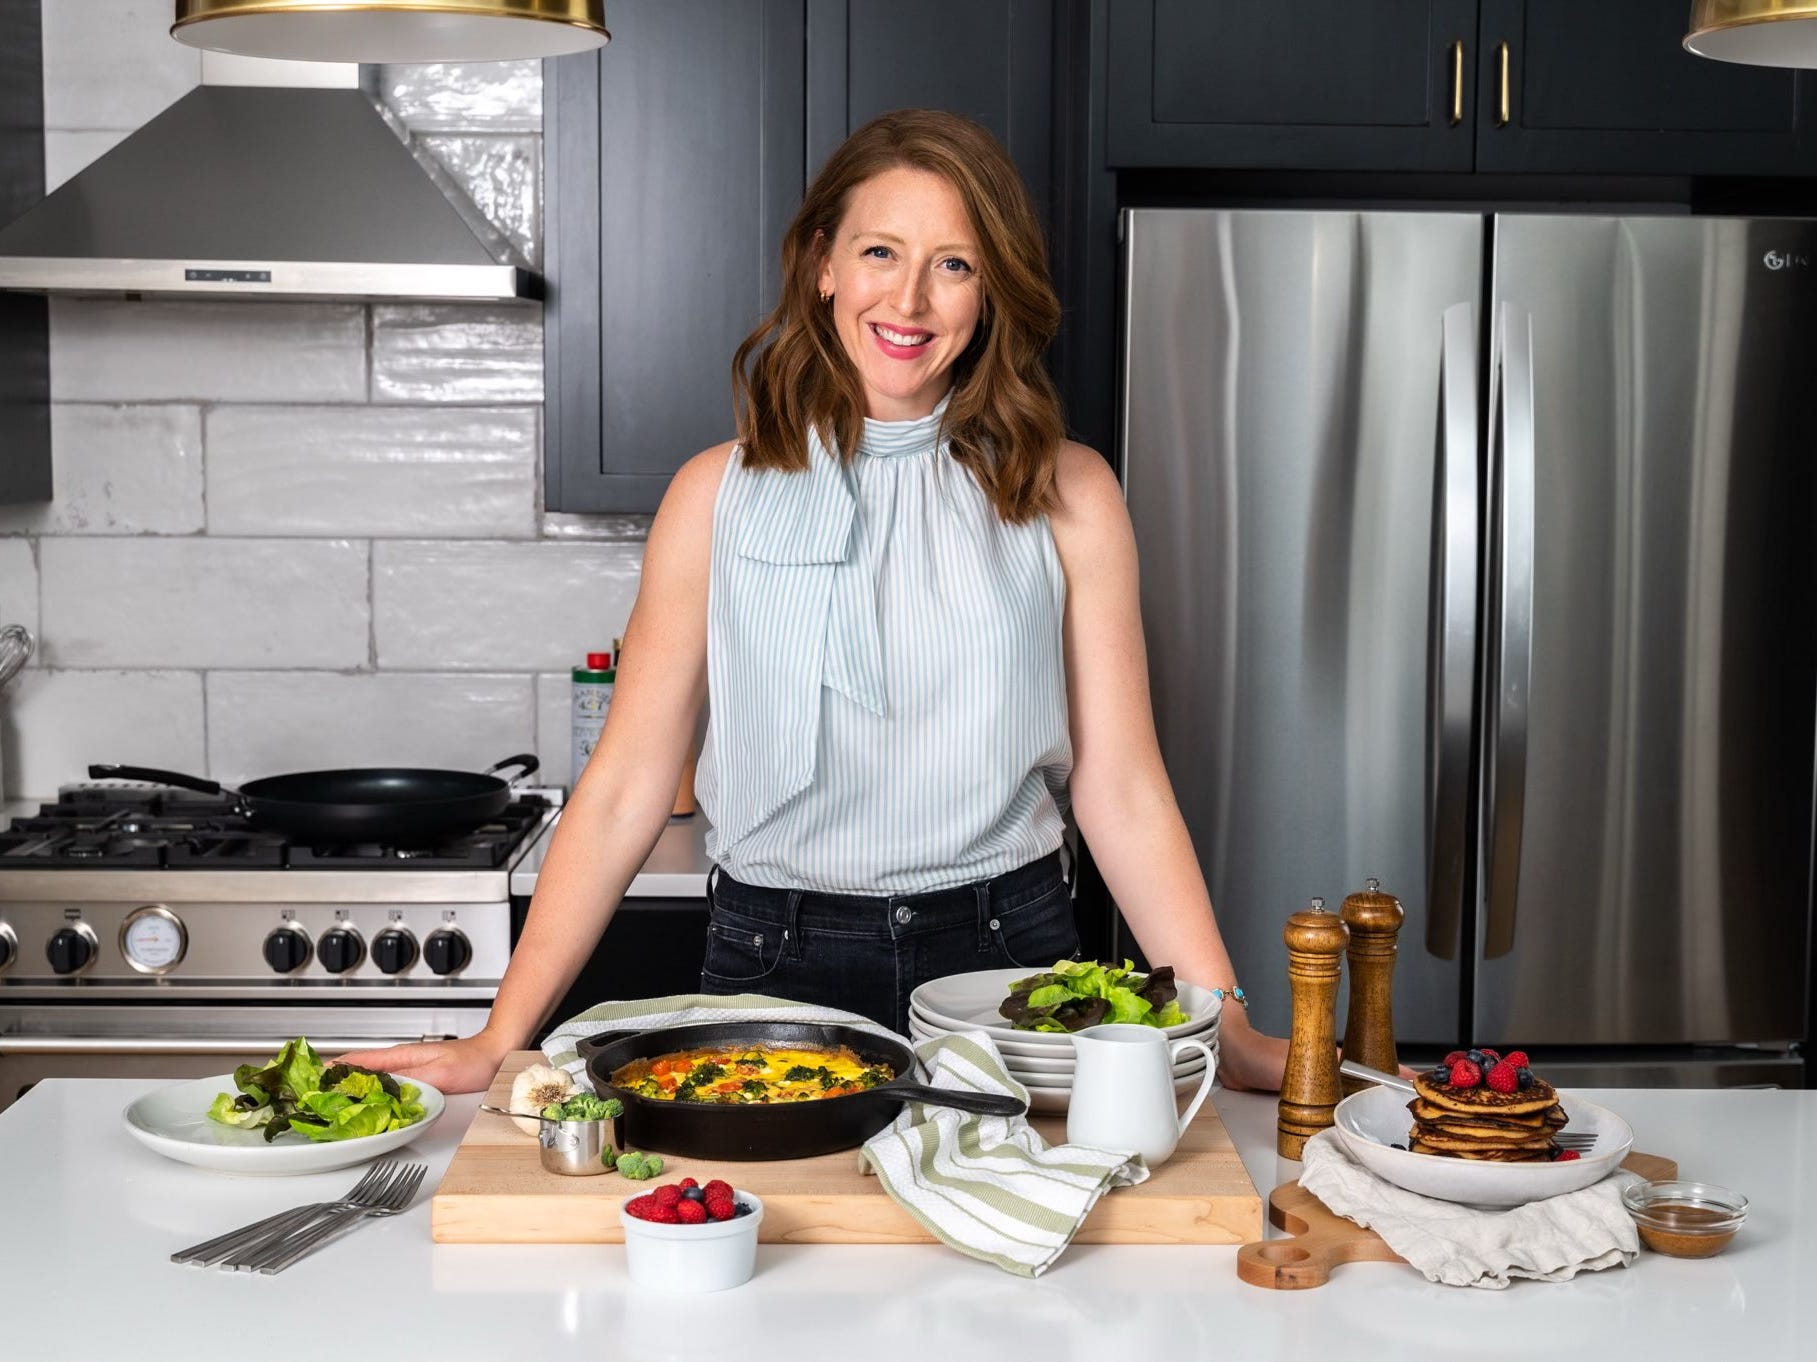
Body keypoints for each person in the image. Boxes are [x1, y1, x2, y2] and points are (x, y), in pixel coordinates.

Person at [339, 109, 1290, 1095]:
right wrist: (498, 1035)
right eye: (880, 252)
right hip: (773, 960)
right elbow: (623, 787)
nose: (909, 299)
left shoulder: (1068, 491)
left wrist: (1224, 1022)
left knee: (1024, 1200)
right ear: (823, 263)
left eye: (953, 265)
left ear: (990, 290)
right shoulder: (713, 496)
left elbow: (1121, 789)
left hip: (1007, 964)